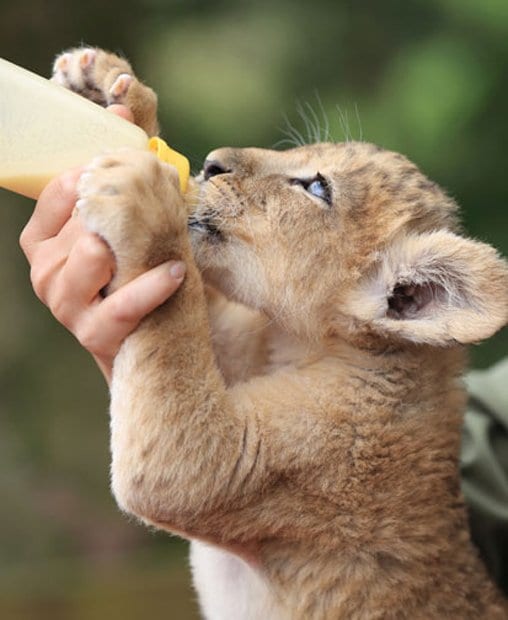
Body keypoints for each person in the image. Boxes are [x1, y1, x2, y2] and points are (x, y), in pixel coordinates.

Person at [19, 105, 508, 596]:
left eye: (313, 188)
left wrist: (157, 245)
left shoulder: (365, 435)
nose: (223, 159)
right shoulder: (299, 342)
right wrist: (126, 144)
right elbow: (196, 363)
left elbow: (169, 476)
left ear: (405, 298)